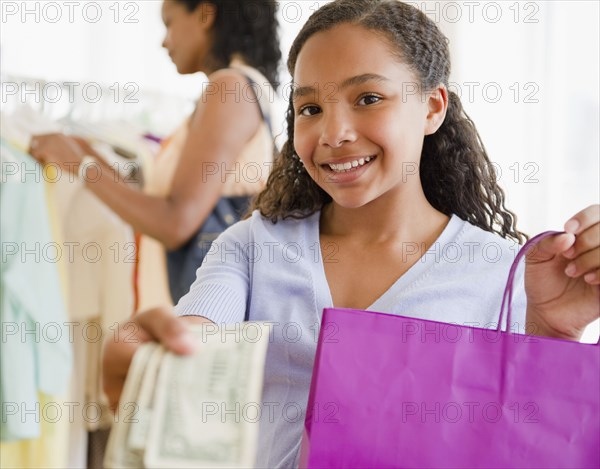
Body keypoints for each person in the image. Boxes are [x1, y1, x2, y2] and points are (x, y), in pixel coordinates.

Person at [102, 1, 600, 468]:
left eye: (368, 98)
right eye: (310, 108)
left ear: (432, 107)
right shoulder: (253, 247)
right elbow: (197, 335)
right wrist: (151, 356)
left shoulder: (505, 275)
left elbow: (523, 443)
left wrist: (553, 337)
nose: (333, 133)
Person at [28, 0, 282, 304]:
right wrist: (88, 157)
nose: (164, 41)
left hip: (201, 322)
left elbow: (175, 223)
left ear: (205, 15)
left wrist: (81, 166)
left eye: (169, 22)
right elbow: (165, 204)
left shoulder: (228, 89)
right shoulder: (244, 86)